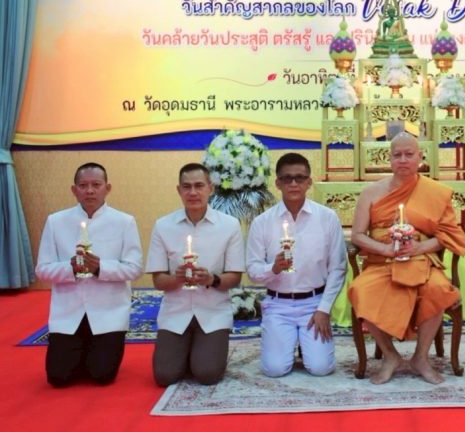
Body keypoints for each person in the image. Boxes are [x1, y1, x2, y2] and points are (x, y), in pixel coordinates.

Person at [348, 133, 465, 384]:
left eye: (409, 154)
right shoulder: (371, 192)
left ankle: (420, 358)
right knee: (360, 290)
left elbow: (448, 235)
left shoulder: (435, 192)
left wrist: (420, 247)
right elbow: (357, 235)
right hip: (382, 261)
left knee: (438, 289)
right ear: (389, 158)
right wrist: (386, 250)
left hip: (421, 260)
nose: (403, 160)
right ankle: (390, 356)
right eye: (397, 155)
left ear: (420, 157)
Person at [35, 162, 143, 387]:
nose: (90, 191)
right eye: (83, 185)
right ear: (74, 190)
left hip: (108, 312)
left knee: (101, 376)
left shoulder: (124, 222)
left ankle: (95, 353)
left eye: (96, 184)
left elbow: (134, 268)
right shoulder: (56, 221)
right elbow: (42, 269)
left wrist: (100, 268)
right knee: (58, 379)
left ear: (107, 188)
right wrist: (70, 268)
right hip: (69, 312)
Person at [246, 153, 347, 377]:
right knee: (274, 369)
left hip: (314, 303)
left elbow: (338, 267)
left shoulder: (327, 217)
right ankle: (288, 339)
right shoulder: (262, 222)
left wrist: (324, 309)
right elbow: (252, 270)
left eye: (300, 178)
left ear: (309, 182)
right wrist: (273, 268)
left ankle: (305, 343)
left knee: (321, 368)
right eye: (287, 178)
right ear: (278, 183)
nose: (294, 183)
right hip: (278, 304)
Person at [146, 163, 245, 387]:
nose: (193, 192)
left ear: (211, 188)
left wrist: (212, 279)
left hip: (212, 311)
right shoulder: (163, 226)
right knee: (165, 376)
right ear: (178, 190)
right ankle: (186, 350)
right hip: (176, 311)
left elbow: (235, 277)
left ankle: (201, 351)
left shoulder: (229, 226)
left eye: (199, 186)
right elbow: (158, 280)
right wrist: (178, 278)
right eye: (186, 186)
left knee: (207, 374)